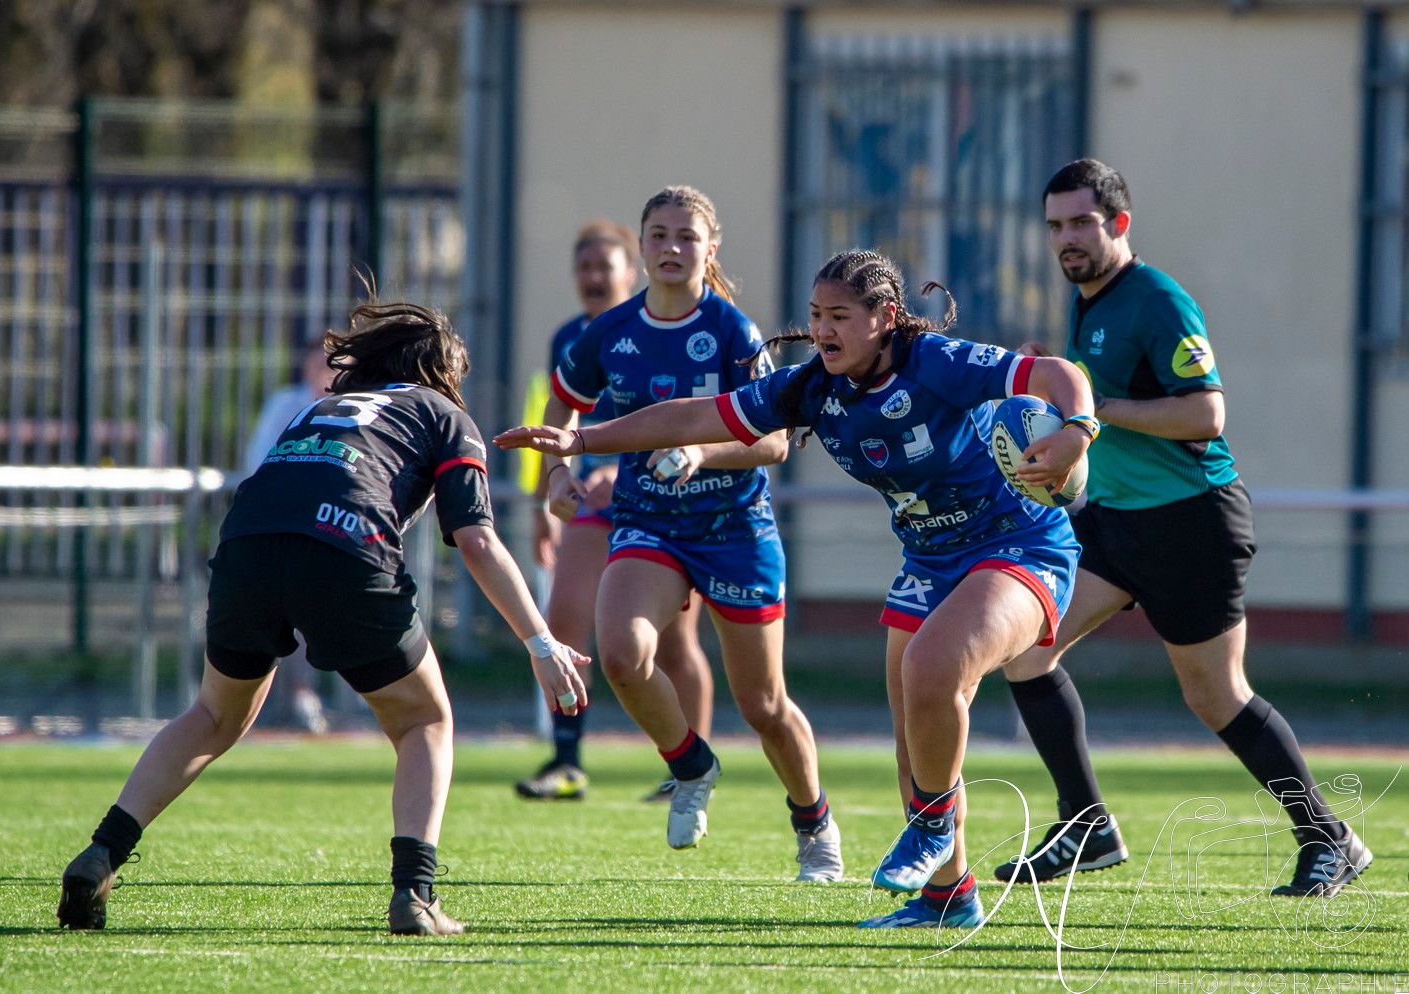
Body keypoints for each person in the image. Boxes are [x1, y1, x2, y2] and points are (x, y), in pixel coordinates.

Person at [498, 247, 1100, 927]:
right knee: (914, 725)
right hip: (930, 558)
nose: (822, 330)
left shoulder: (936, 364)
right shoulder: (810, 387)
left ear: (886, 318)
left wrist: (1078, 429)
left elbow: (1053, 372)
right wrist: (580, 442)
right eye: (815, 315)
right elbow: (696, 417)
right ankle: (947, 899)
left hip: (1018, 545)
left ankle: (932, 827)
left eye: (839, 316)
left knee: (934, 671)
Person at [56, 301, 589, 937]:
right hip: (342, 549)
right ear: (443, 372)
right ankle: (415, 896)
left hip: (245, 545)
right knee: (424, 717)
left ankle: (103, 851)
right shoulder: (445, 414)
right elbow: (475, 541)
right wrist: (540, 640)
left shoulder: (320, 408)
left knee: (213, 714)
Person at [997, 158, 1371, 898]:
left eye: (1081, 223)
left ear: (1118, 224)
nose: (1065, 239)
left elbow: (1206, 414)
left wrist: (1092, 411)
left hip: (1190, 522)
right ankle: (1086, 828)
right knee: (1024, 649)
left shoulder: (1154, 301)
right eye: (1054, 225)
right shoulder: (1089, 300)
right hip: (1114, 522)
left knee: (1213, 696)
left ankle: (1328, 838)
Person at [521, 185, 843, 882]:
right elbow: (564, 404)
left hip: (733, 526)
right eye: (658, 235)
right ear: (640, 247)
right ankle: (691, 765)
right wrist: (554, 475)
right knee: (622, 656)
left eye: (685, 237)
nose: (671, 248)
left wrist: (702, 450)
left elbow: (776, 443)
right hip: (650, 523)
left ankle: (813, 821)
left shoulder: (732, 332)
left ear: (709, 250)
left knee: (763, 705)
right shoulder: (608, 332)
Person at [516, 220, 715, 803]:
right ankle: (567, 761)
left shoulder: (666, 329)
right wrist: (543, 498)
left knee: (676, 645)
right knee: (564, 622)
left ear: (632, 272)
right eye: (586, 267)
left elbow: (679, 419)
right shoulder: (570, 339)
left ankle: (689, 771)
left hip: (668, 503)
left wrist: (621, 461)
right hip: (594, 504)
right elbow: (554, 422)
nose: (595, 278)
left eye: (606, 266)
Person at [236, 343, 338, 734]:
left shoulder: (358, 405)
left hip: (335, 532)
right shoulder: (287, 405)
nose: (324, 372)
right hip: (285, 529)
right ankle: (295, 697)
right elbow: (259, 460)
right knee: (287, 618)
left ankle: (364, 697)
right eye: (318, 363)